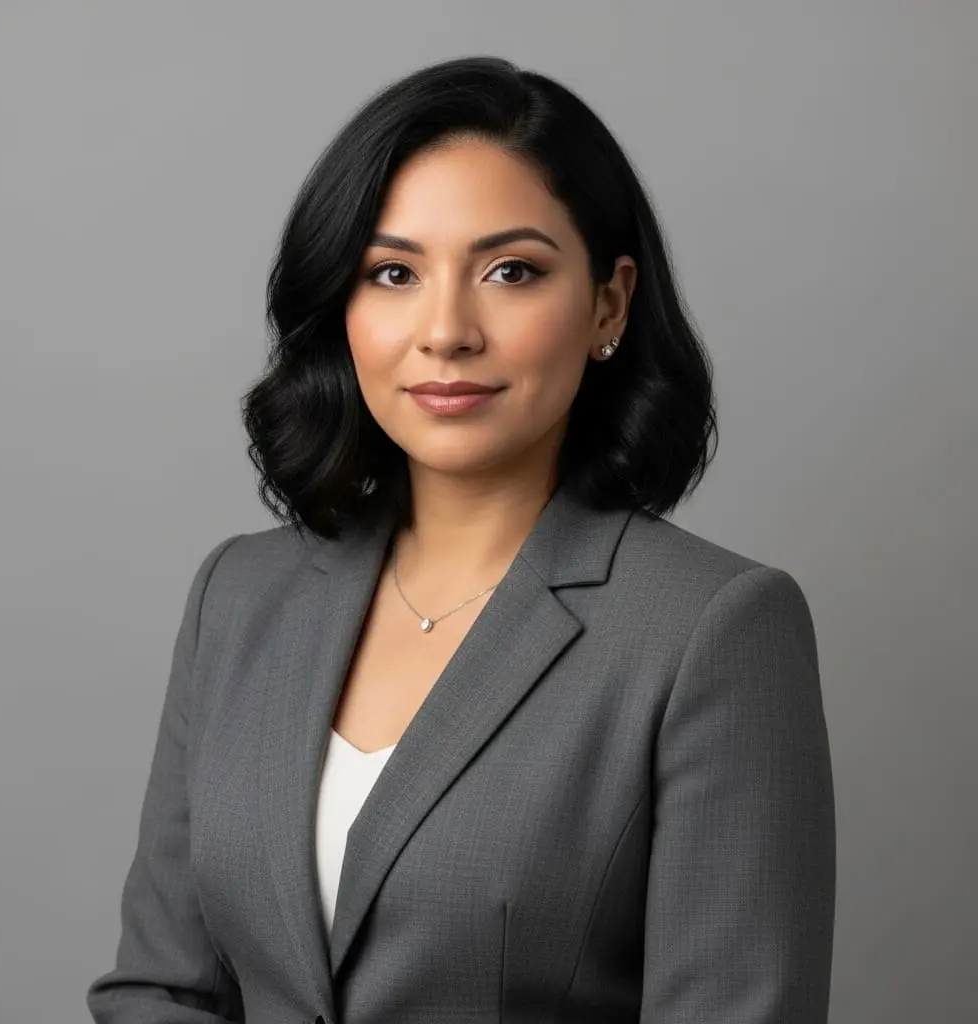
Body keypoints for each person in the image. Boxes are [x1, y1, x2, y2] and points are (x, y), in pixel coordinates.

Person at [86, 55, 836, 1024]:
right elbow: (160, 988)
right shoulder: (237, 595)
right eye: (393, 272)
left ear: (607, 303)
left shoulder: (712, 631)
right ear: (342, 308)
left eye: (510, 271)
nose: (445, 330)